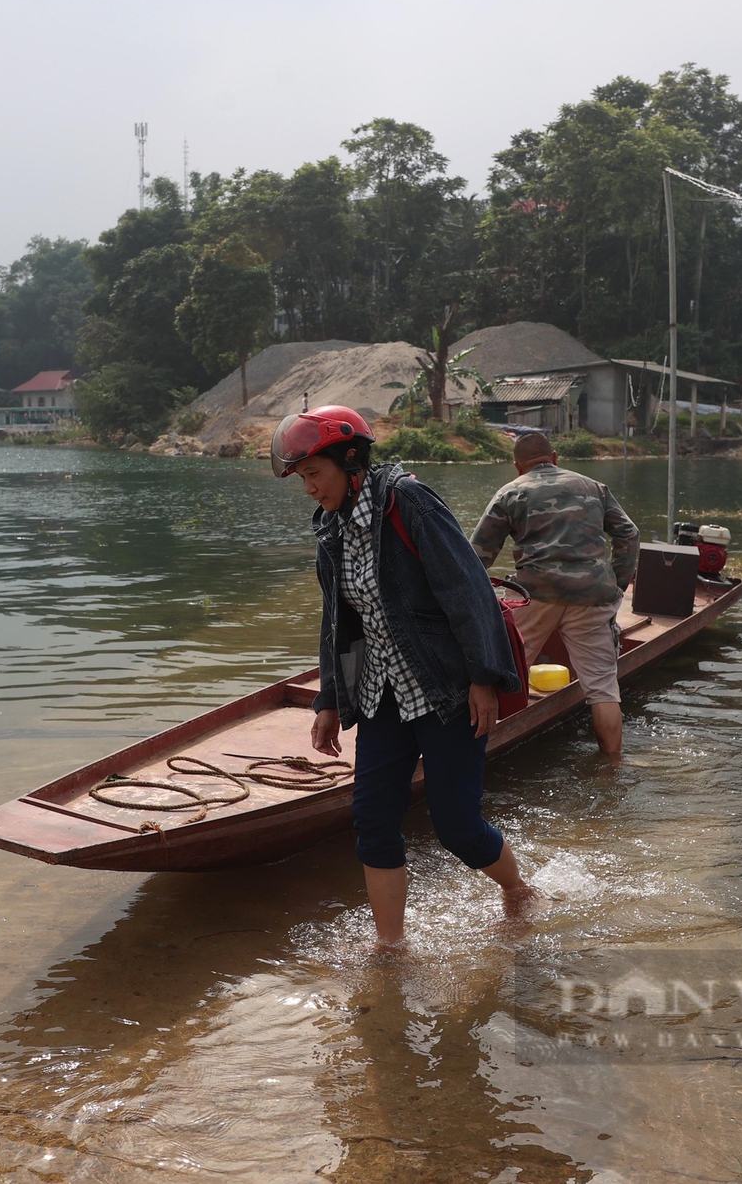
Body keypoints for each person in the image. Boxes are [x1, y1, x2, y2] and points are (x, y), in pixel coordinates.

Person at [272, 405, 535, 949]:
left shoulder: (408, 502)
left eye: (314, 475)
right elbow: (338, 621)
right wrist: (328, 699)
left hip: (445, 689)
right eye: (302, 479)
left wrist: (483, 679)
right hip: (380, 694)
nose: (310, 490)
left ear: (350, 460)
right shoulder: (331, 528)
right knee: (371, 823)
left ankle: (517, 889)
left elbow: (468, 590)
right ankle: (390, 948)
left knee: (458, 828)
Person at [468, 432, 639, 759]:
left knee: (506, 672)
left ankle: (473, 756)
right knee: (603, 689)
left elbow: (476, 556)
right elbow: (628, 533)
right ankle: (612, 768)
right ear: (556, 457)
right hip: (593, 597)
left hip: (536, 596)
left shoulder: (511, 492)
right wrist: (617, 583)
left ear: (517, 466)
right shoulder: (594, 487)